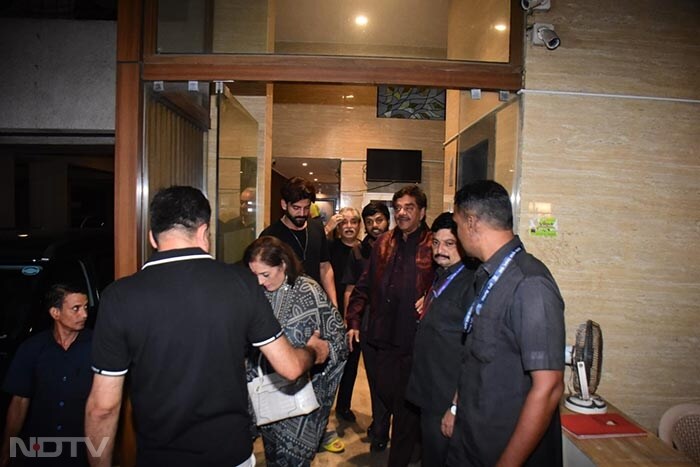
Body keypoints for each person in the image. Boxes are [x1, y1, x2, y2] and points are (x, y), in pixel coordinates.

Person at [84, 186, 330, 467]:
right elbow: (289, 367)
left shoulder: (119, 297)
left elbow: (102, 408)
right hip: (229, 453)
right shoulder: (241, 283)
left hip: (159, 457)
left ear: (153, 237)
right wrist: (314, 350)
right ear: (204, 232)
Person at [445, 180, 565, 466]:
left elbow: (548, 388)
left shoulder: (530, 284)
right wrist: (455, 406)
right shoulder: (486, 275)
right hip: (471, 437)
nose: (457, 233)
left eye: (457, 224)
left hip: (502, 449)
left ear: (471, 222)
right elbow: (476, 356)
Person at [346, 185, 435, 465]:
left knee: (407, 403)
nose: (402, 213)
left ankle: (403, 453)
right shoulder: (384, 242)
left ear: (421, 212)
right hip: (383, 335)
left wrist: (432, 296)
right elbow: (363, 284)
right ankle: (405, 441)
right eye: (398, 208)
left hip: (416, 339)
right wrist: (354, 320)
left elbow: (449, 281)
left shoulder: (434, 244)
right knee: (385, 391)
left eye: (409, 208)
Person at [244, 236, 348, 466]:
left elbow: (338, 340)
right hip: (265, 393)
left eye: (265, 274)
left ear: (283, 264)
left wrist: (320, 351)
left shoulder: (307, 291)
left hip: (300, 399)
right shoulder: (256, 292)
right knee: (272, 454)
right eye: (255, 275)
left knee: (294, 458)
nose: (260, 281)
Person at [405, 212, 478, 467]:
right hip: (430, 391)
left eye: (449, 243)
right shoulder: (442, 275)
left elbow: (473, 353)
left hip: (447, 397)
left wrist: (456, 407)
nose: (440, 250)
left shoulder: (471, 283)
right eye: (436, 243)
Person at [1, 283, 92, 467]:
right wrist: (6, 450)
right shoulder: (32, 349)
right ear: (55, 313)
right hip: (38, 450)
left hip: (83, 451)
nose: (84, 314)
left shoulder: (98, 346)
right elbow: (19, 402)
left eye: (85, 307)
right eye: (76, 308)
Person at [341, 202, 391, 447]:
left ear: (388, 220)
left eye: (379, 220)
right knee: (374, 377)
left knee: (394, 378)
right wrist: (351, 319)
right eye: (370, 222)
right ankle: (380, 425)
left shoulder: (399, 246)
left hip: (397, 323)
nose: (375, 226)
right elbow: (351, 288)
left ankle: (391, 424)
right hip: (369, 321)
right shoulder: (358, 252)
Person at [260, 177, 337, 307]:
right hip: (283, 307)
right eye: (296, 208)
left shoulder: (317, 228)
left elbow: (324, 267)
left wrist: (333, 304)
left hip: (315, 303)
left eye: (306, 208)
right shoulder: (270, 235)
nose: (302, 213)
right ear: (284, 204)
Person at [327, 207, 362, 422]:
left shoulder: (366, 249)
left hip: (355, 317)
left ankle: (343, 406)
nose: (349, 226)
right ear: (339, 226)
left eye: (354, 222)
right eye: (344, 222)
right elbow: (307, 252)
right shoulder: (329, 247)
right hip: (330, 314)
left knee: (351, 364)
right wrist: (326, 229)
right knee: (327, 365)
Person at [218, 186, 256, 263]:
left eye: (248, 203)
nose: (243, 206)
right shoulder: (230, 226)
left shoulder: (260, 227)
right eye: (242, 202)